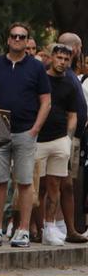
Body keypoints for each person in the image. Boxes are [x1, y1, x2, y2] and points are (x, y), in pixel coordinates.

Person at [0, 23, 51, 248]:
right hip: (0, 125)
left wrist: (36, 128)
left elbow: (46, 101)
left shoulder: (36, 67)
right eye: (13, 35)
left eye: (22, 37)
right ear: (8, 39)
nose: (17, 39)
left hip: (26, 128)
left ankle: (22, 230)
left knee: (24, 181)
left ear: (27, 41)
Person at [34, 44, 78, 246]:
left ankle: (50, 227)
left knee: (55, 185)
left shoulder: (70, 83)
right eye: (59, 57)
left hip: (60, 138)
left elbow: (73, 115)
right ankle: (35, 228)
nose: (62, 62)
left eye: (66, 59)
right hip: (37, 138)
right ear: (51, 57)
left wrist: (68, 137)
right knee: (36, 187)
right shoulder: (40, 79)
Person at [54, 32, 87, 243]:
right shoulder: (59, 75)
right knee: (56, 183)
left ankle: (68, 227)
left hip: (73, 137)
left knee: (68, 183)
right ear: (76, 48)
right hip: (60, 136)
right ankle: (53, 225)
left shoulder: (73, 75)